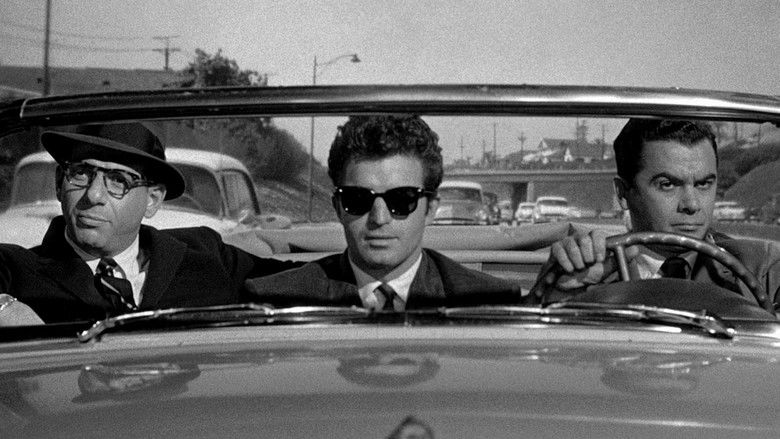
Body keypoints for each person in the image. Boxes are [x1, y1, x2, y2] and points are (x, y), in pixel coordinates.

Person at [0, 123, 301, 324]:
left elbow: (304, 282)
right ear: (58, 184)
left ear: (153, 200)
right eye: (80, 173)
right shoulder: (15, 269)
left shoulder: (203, 254)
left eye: (118, 180)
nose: (93, 195)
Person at [245, 115, 523, 309]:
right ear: (338, 208)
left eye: (401, 200)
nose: (379, 218)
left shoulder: (486, 302)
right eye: (357, 199)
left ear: (430, 210)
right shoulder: (274, 302)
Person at [530, 118, 780, 309]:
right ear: (623, 193)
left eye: (704, 184)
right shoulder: (588, 269)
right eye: (667, 185)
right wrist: (561, 295)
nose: (692, 204)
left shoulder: (761, 269)